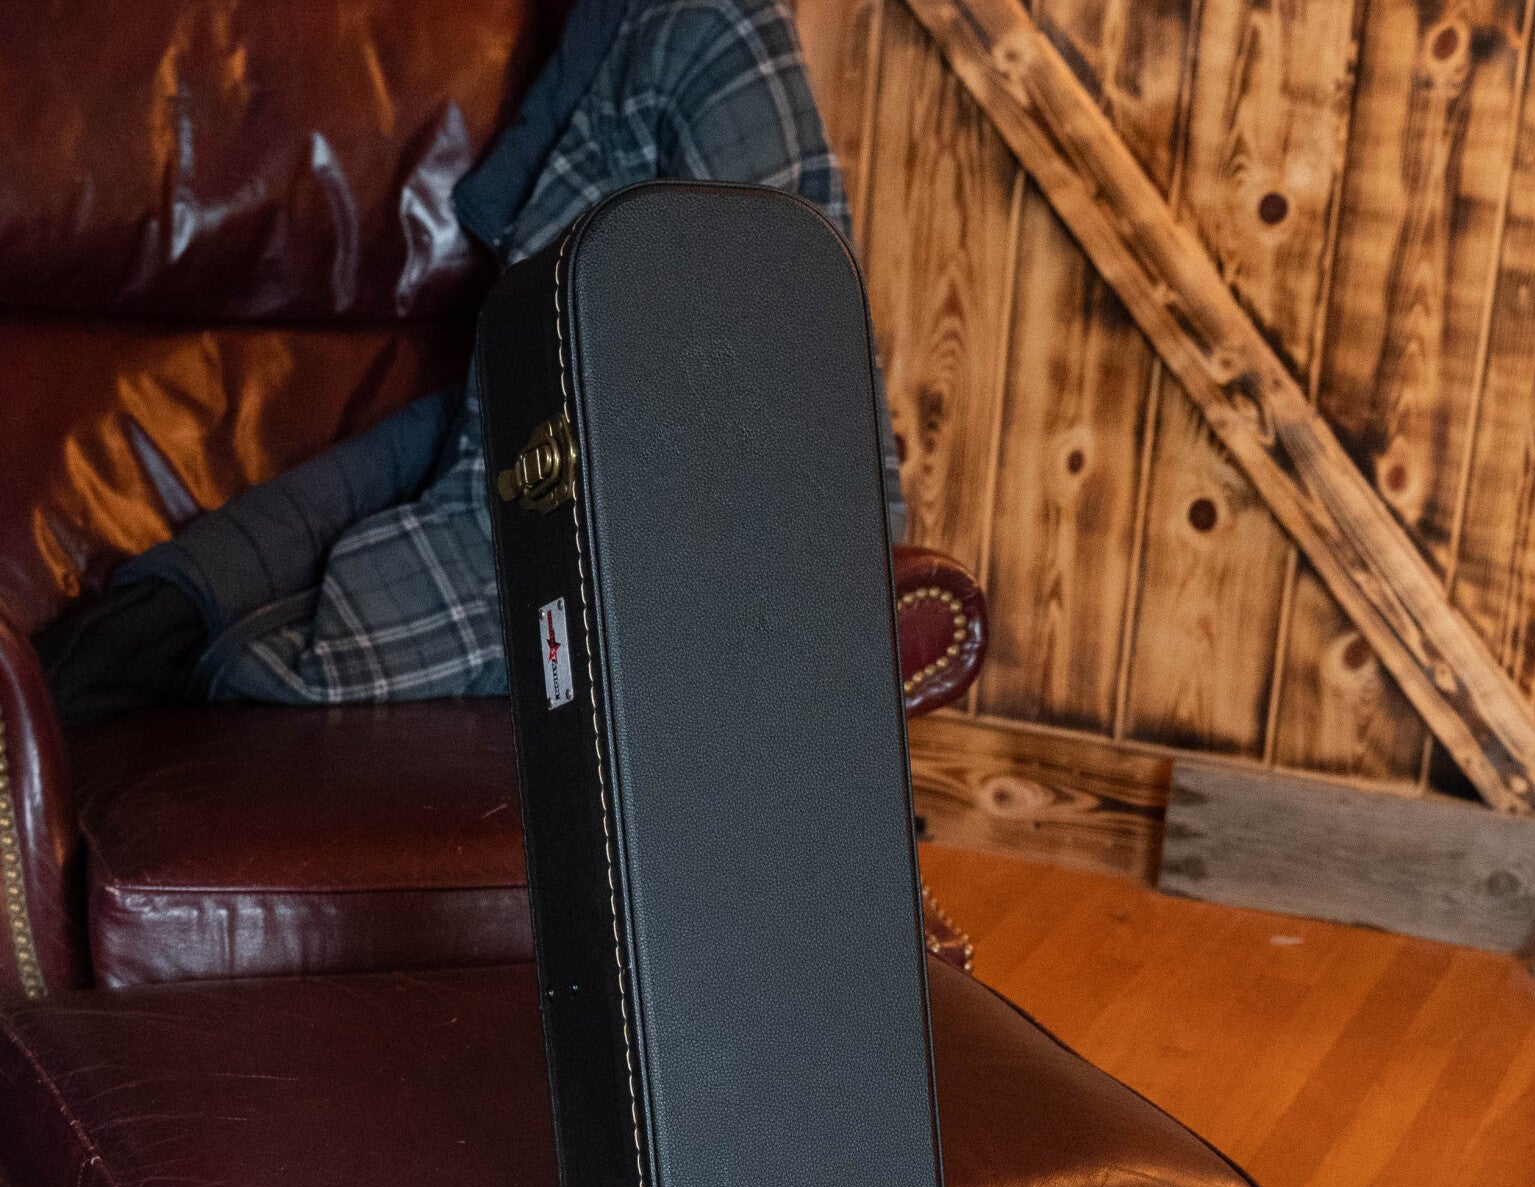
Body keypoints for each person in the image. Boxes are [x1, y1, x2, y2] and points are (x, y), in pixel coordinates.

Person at [36, 0, 903, 726]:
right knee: (154, 658)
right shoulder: (585, 95)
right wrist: (187, 591)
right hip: (517, 540)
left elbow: (807, 435)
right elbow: (462, 431)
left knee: (245, 674)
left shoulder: (709, 33)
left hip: (623, 595)